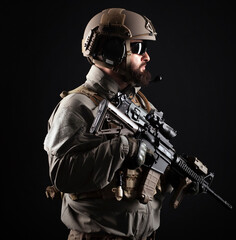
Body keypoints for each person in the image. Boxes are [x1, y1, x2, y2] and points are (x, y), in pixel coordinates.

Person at [44, 8, 190, 240]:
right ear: (112, 51)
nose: (147, 57)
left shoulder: (141, 104)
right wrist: (123, 148)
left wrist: (175, 173)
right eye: (139, 48)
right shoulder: (77, 105)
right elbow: (62, 176)